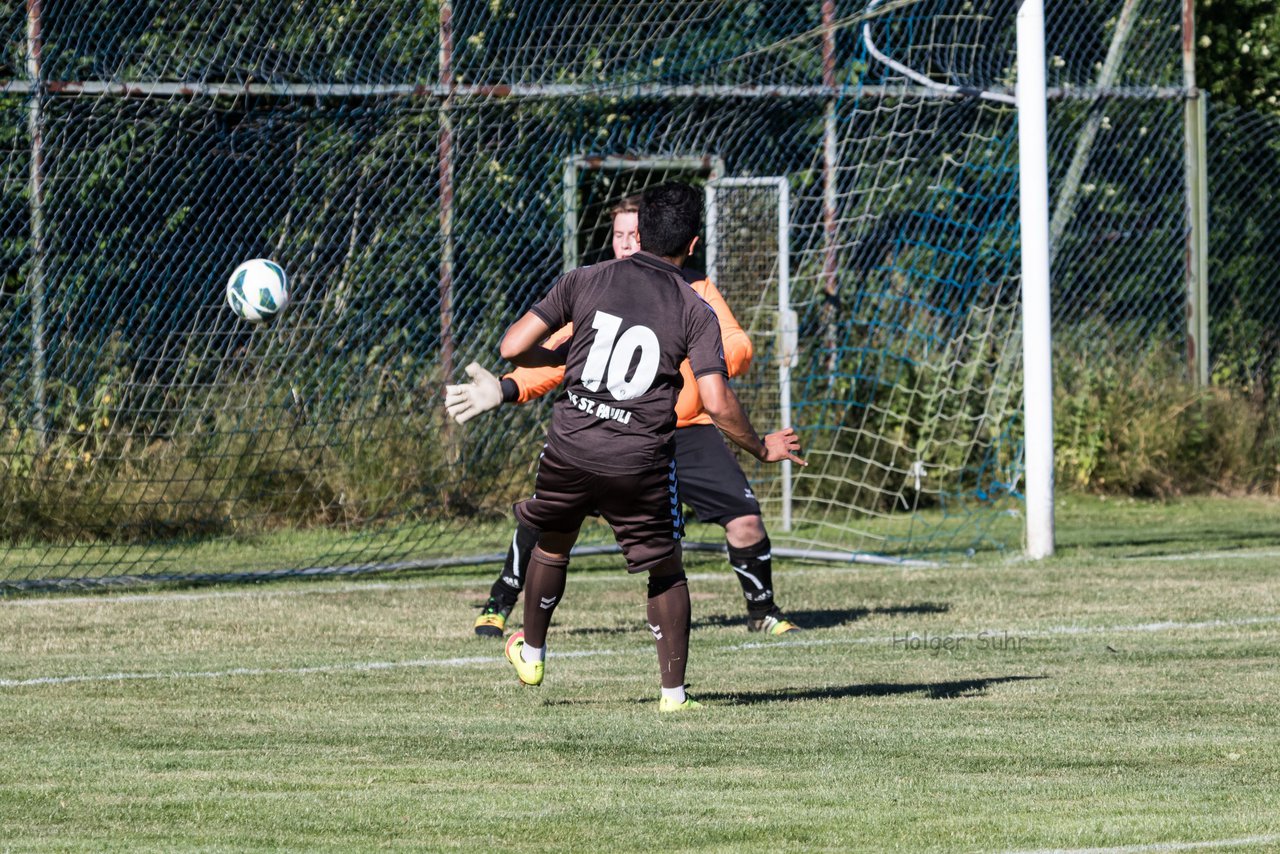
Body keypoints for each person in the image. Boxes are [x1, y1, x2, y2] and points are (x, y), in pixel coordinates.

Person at [487, 182, 804, 711]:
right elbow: (717, 401)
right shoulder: (693, 307)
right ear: (693, 245)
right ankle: (673, 695)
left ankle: (534, 651)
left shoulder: (584, 280)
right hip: (639, 457)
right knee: (665, 568)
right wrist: (761, 448)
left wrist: (571, 358)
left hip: (572, 446)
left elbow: (512, 346)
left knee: (554, 541)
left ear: (642, 236)